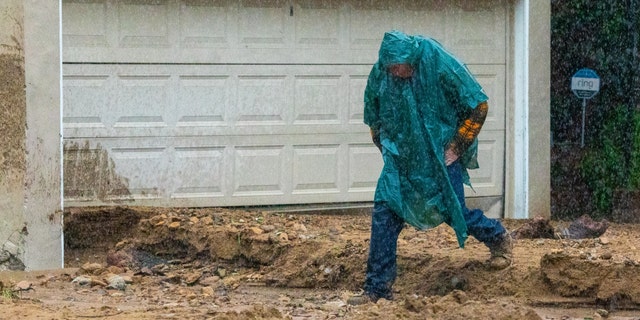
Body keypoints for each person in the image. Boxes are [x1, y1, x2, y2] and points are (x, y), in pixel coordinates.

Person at [348, 30, 513, 305]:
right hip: (402, 157)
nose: (396, 72)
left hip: (439, 155)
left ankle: (498, 237)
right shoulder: (382, 72)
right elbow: (373, 116)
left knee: (454, 211)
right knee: (384, 212)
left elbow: (479, 104)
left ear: (411, 59)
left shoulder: (436, 60)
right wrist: (386, 149)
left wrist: (457, 146)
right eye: (391, 68)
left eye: (400, 67)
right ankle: (377, 289)